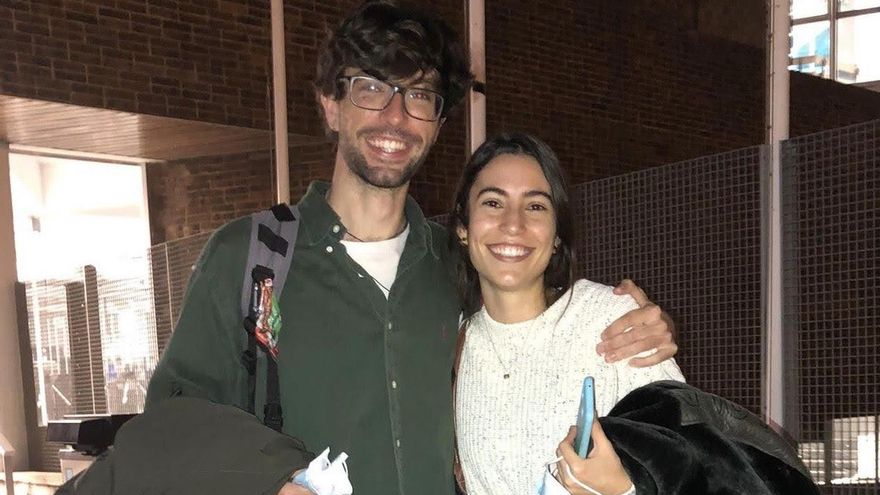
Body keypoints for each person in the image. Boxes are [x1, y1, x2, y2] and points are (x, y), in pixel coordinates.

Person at [61, 3, 675, 495]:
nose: (396, 117)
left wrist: (635, 322)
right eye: (371, 89)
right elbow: (174, 412)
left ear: (437, 123)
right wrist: (272, 477)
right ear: (331, 103)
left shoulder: (452, 263)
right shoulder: (249, 256)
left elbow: (529, 324)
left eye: (420, 96)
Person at [450, 134, 685, 495]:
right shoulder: (453, 345)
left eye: (536, 207)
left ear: (557, 234)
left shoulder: (611, 320)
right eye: (493, 203)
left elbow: (693, 466)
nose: (513, 224)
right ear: (463, 228)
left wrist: (624, 489)